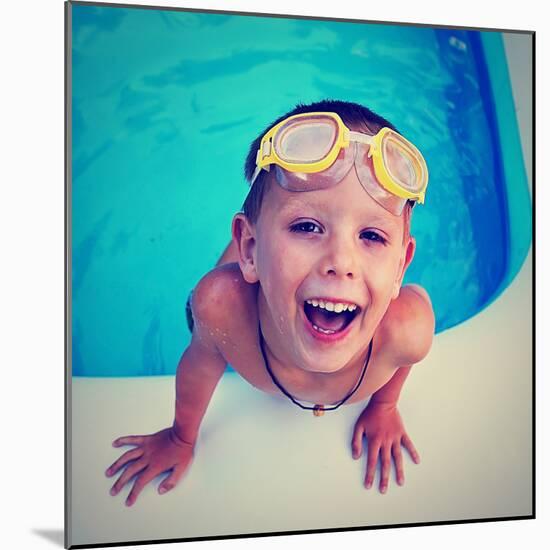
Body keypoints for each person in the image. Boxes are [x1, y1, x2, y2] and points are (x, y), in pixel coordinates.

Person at [105, 99, 435, 507]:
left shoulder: (408, 331)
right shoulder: (224, 312)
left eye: (371, 236)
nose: (341, 263)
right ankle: (246, 255)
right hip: (240, 286)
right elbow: (200, 362)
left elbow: (403, 362)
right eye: (307, 226)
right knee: (202, 308)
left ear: (401, 265)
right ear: (250, 244)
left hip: (274, 272)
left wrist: (384, 406)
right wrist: (180, 437)